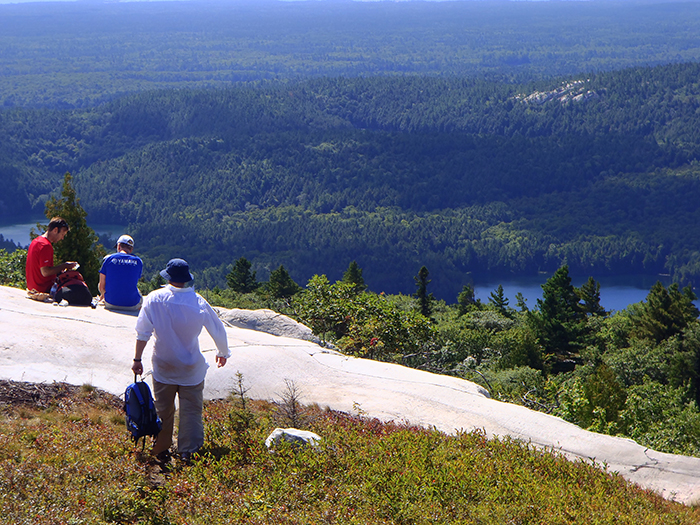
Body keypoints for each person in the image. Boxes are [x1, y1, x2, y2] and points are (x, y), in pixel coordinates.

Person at [131, 258, 230, 463]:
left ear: (168, 277)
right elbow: (217, 328)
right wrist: (222, 351)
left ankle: (161, 448)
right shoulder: (198, 301)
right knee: (191, 409)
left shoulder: (154, 298)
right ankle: (188, 450)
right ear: (186, 280)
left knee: (164, 409)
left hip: (164, 364)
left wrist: (137, 359)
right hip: (191, 367)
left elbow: (143, 333)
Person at [25, 216, 78, 299]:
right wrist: (65, 265)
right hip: (43, 288)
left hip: (32, 287)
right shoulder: (46, 246)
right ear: (55, 230)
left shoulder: (36, 241)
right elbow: (45, 272)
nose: (62, 238)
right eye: (62, 234)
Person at [99, 234, 143, 310]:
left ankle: (103, 299)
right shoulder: (138, 261)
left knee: (101, 283)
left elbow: (101, 286)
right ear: (131, 249)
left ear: (118, 246)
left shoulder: (109, 259)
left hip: (110, 303)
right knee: (138, 292)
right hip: (132, 305)